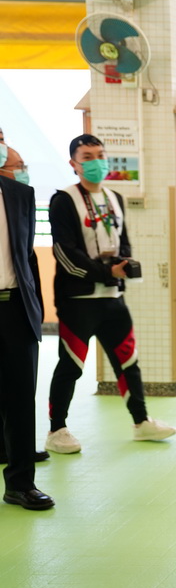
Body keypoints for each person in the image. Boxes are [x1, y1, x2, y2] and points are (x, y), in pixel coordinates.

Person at [45, 134, 175, 454]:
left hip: (113, 297)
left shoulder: (114, 197)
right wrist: (107, 272)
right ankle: (56, 429)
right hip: (78, 300)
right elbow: (65, 253)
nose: (96, 162)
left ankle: (141, 422)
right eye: (87, 157)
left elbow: (123, 240)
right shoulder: (63, 200)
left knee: (128, 360)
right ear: (74, 164)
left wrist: (124, 264)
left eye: (100, 155)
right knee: (71, 365)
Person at [0, 171, 53, 510]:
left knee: (20, 398)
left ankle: (21, 484)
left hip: (15, 309)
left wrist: (36, 309)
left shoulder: (20, 194)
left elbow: (27, 255)